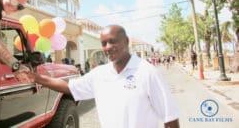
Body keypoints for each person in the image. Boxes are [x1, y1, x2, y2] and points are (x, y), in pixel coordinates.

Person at [17, 25, 180, 128]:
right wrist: (36, 78)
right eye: (104, 43)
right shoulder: (99, 74)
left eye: (113, 41)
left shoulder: (147, 72)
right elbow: (68, 87)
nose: (108, 47)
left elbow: (170, 117)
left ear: (126, 41)